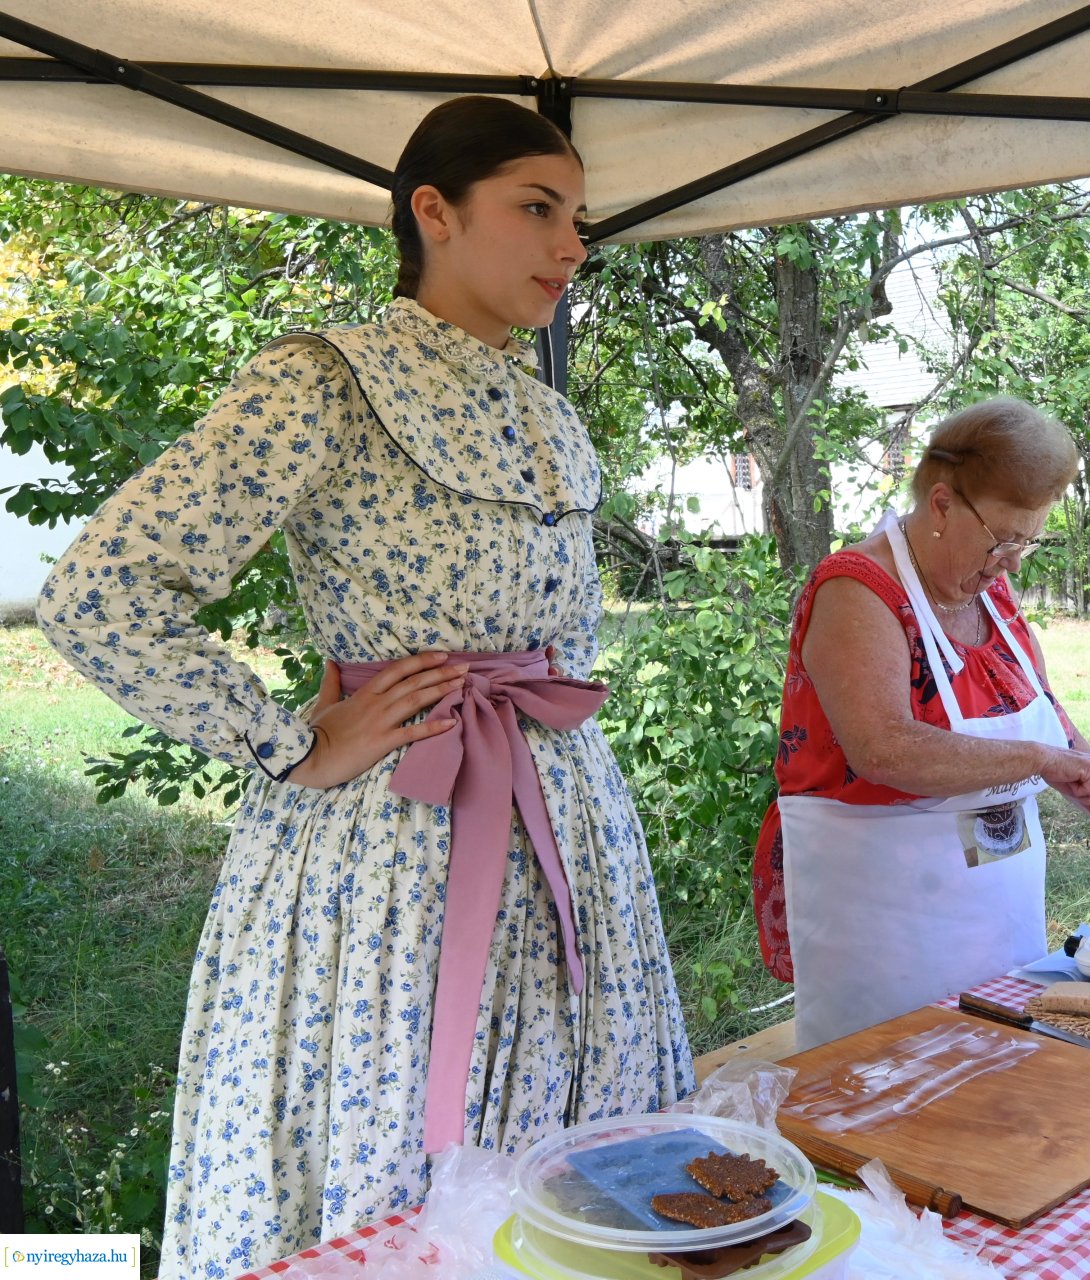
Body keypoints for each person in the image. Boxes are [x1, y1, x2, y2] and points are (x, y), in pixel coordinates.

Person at [36, 97, 693, 1279]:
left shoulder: (545, 414)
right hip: (398, 855)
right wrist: (286, 740)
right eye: (537, 208)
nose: (570, 243)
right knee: (397, 1148)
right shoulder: (324, 381)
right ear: (432, 213)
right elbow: (102, 590)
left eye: (578, 218)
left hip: (570, 836)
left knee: (576, 1169)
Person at [752, 398, 1090, 1049]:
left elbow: (1044, 711)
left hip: (995, 917)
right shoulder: (856, 590)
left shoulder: (987, 587)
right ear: (941, 504)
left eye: (1030, 539)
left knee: (991, 1083)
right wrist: (1039, 762)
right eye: (1004, 538)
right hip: (885, 925)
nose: (1014, 560)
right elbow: (884, 750)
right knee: (884, 1091)